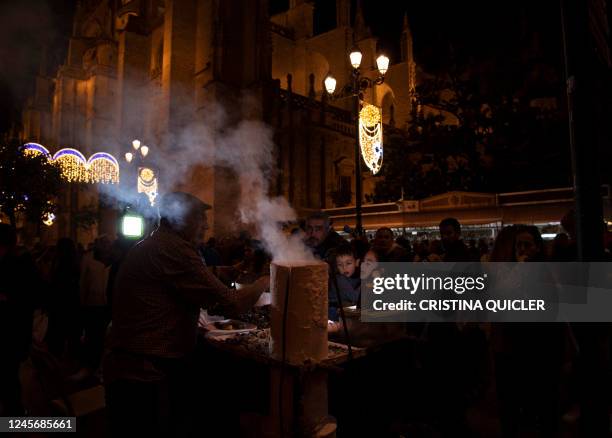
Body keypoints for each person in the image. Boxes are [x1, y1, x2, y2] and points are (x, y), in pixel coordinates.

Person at [104, 192, 269, 436]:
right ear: (177, 219)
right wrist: (265, 280)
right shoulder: (174, 249)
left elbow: (192, 276)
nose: (205, 224)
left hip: (131, 364)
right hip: (146, 371)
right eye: (199, 217)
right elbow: (232, 304)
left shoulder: (160, 243)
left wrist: (227, 271)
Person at [0, 224, 39, 416]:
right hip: (16, 330)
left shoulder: (16, 264)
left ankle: (13, 416)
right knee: (9, 374)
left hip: (11, 331)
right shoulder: (21, 262)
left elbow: (24, 300)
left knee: (8, 374)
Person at [328, 245, 361, 321]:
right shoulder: (339, 279)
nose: (344, 268)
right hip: (334, 316)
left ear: (357, 262)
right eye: (340, 265)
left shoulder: (354, 277)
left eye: (348, 263)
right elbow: (355, 297)